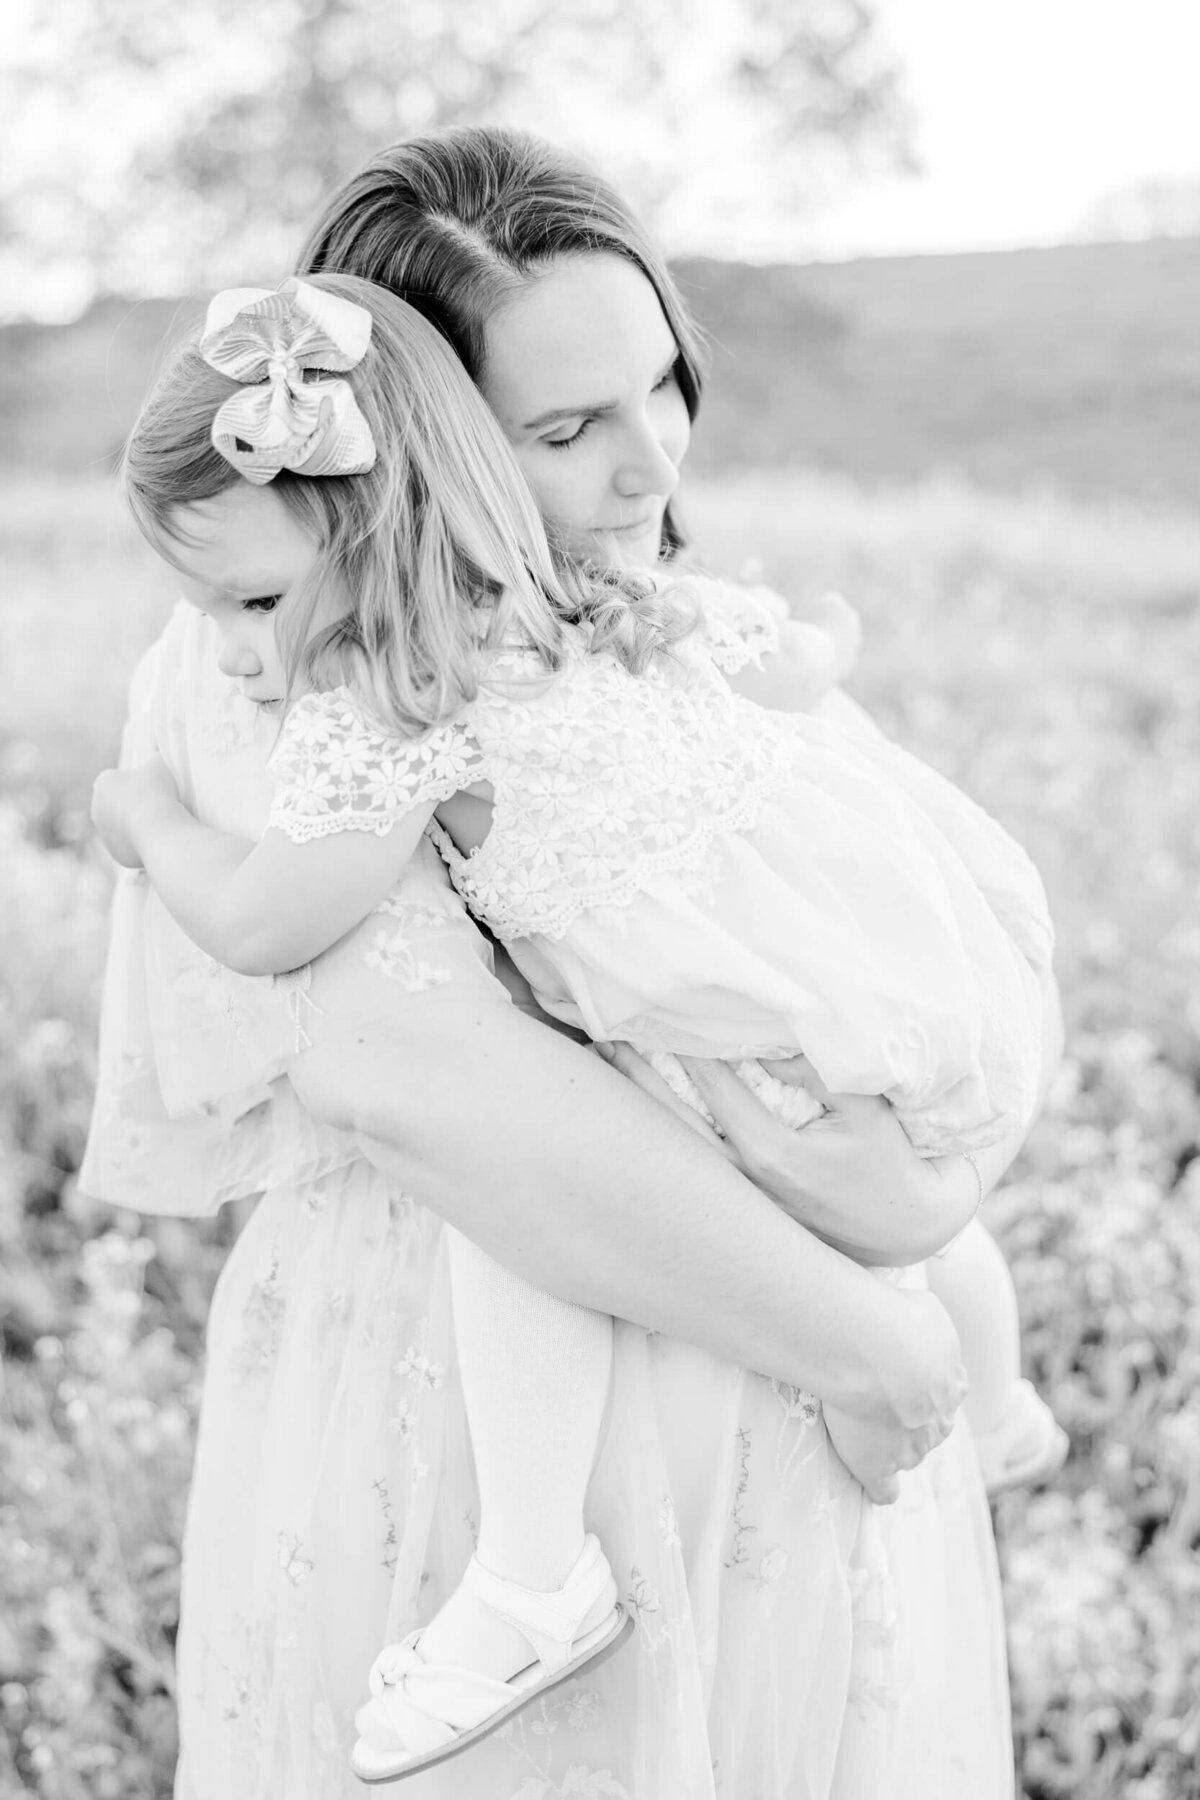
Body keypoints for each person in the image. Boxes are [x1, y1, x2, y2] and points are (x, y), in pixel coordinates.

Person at [80, 127, 1042, 1800]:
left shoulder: (623, 621)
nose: (654, 462)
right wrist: (866, 1340)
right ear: (395, 462)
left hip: (779, 1399)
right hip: (493, 1421)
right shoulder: (303, 664)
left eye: (665, 386)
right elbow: (412, 1076)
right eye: (568, 426)